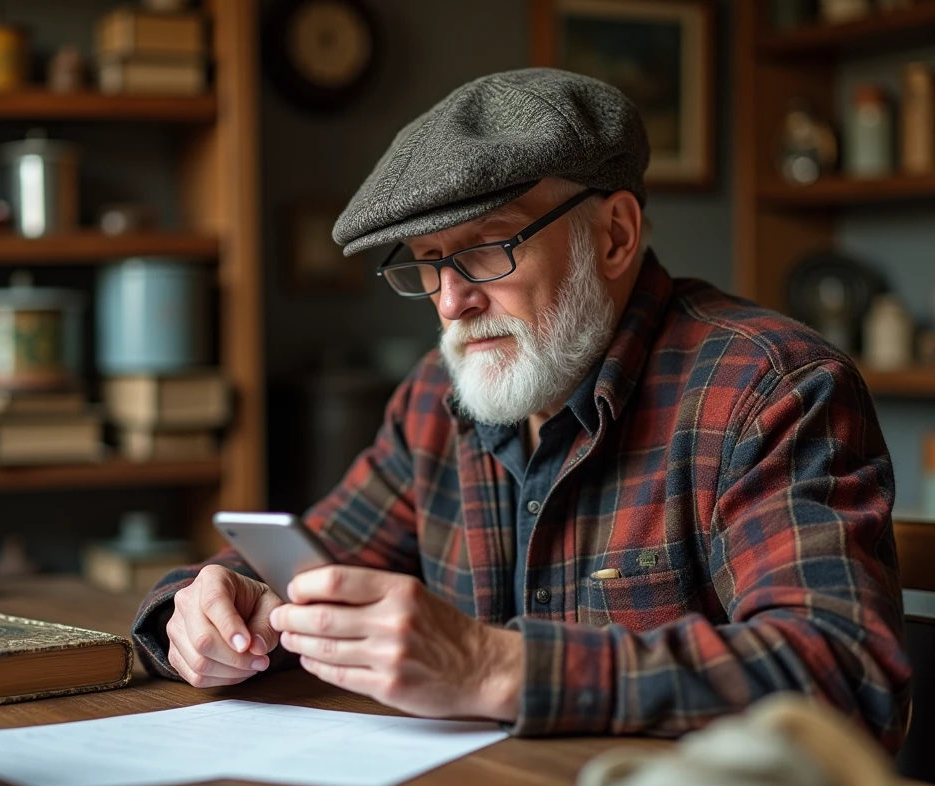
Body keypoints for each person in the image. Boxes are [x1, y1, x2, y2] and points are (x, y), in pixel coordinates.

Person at [131, 68, 911, 750]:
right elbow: (307, 563)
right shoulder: (438, 401)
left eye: (486, 248)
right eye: (427, 264)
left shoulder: (770, 389)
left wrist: (490, 667)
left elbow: (845, 678)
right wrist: (206, 608)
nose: (451, 302)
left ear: (614, 235)